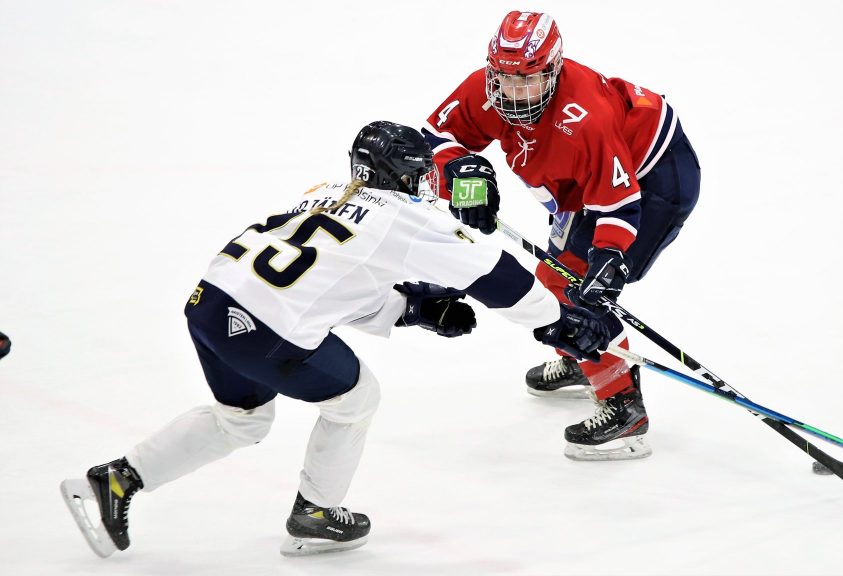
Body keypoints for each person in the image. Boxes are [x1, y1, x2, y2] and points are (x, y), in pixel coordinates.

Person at [60, 121, 609, 559]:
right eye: (416, 172)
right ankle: (317, 514)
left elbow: (329, 288)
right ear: (399, 174)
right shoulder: (401, 217)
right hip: (261, 327)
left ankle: (115, 481)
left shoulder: (321, 194)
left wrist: (412, 309)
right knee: (355, 398)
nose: (422, 183)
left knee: (241, 419)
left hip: (210, 306)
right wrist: (554, 319)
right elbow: (497, 276)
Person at [422, 11, 701, 461]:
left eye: (527, 81)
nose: (512, 94)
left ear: (553, 69)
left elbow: (617, 202)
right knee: (557, 279)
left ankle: (623, 407)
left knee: (577, 290)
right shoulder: (488, 87)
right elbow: (434, 137)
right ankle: (581, 357)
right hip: (585, 184)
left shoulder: (586, 117)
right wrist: (460, 174)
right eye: (504, 79)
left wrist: (609, 257)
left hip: (651, 180)